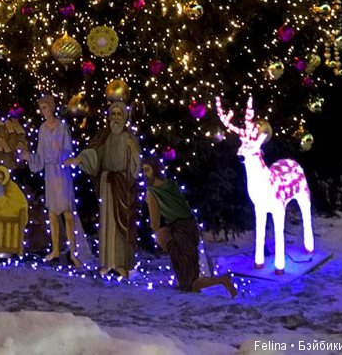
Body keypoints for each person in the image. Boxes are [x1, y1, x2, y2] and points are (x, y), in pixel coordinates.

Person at [64, 101, 140, 277]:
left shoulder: (129, 139)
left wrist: (130, 165)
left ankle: (121, 264)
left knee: (122, 227)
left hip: (123, 188)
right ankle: (106, 263)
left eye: (119, 114)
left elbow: (135, 166)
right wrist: (79, 160)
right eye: (112, 114)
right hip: (107, 186)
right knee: (107, 224)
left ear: (125, 117)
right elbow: (94, 154)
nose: (115, 118)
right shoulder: (104, 136)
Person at [142, 158, 237, 297]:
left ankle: (222, 280)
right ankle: (211, 281)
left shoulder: (152, 192)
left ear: (154, 169)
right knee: (189, 273)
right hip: (191, 225)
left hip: (180, 231)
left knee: (189, 282)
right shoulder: (171, 185)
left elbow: (155, 221)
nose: (145, 174)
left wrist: (159, 232)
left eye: (147, 169)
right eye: (143, 170)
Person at [20, 94, 83, 267]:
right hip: (50, 173)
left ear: (52, 107)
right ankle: (55, 249)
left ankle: (73, 252)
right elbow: (40, 156)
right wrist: (29, 158)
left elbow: (69, 150)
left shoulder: (62, 127)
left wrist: (61, 151)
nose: (43, 111)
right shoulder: (42, 129)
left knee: (68, 214)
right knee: (53, 213)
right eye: (41, 108)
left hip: (62, 172)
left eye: (45, 107)